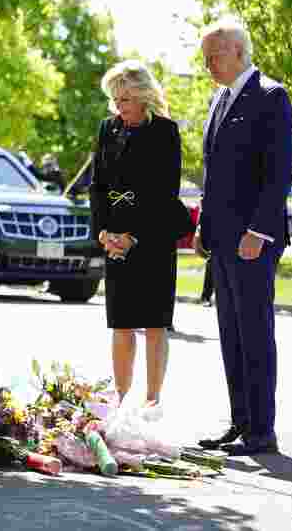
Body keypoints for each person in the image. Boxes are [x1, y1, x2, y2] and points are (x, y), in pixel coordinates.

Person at [195, 18, 292, 456]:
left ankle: (262, 431)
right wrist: (203, 226)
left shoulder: (270, 96)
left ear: (236, 50)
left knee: (254, 334)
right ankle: (241, 422)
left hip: (253, 240)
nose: (207, 65)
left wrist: (258, 230)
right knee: (232, 336)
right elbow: (213, 173)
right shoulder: (219, 98)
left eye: (212, 56)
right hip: (222, 240)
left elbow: (279, 172)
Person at [89, 60, 184, 407]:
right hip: (114, 240)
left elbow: (164, 194)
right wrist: (103, 233)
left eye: (124, 100)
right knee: (122, 323)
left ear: (142, 96)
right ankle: (120, 401)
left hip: (154, 239)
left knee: (155, 325)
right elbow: (97, 185)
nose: (118, 107)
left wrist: (133, 236)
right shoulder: (107, 129)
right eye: (115, 100)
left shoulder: (165, 131)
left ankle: (152, 403)